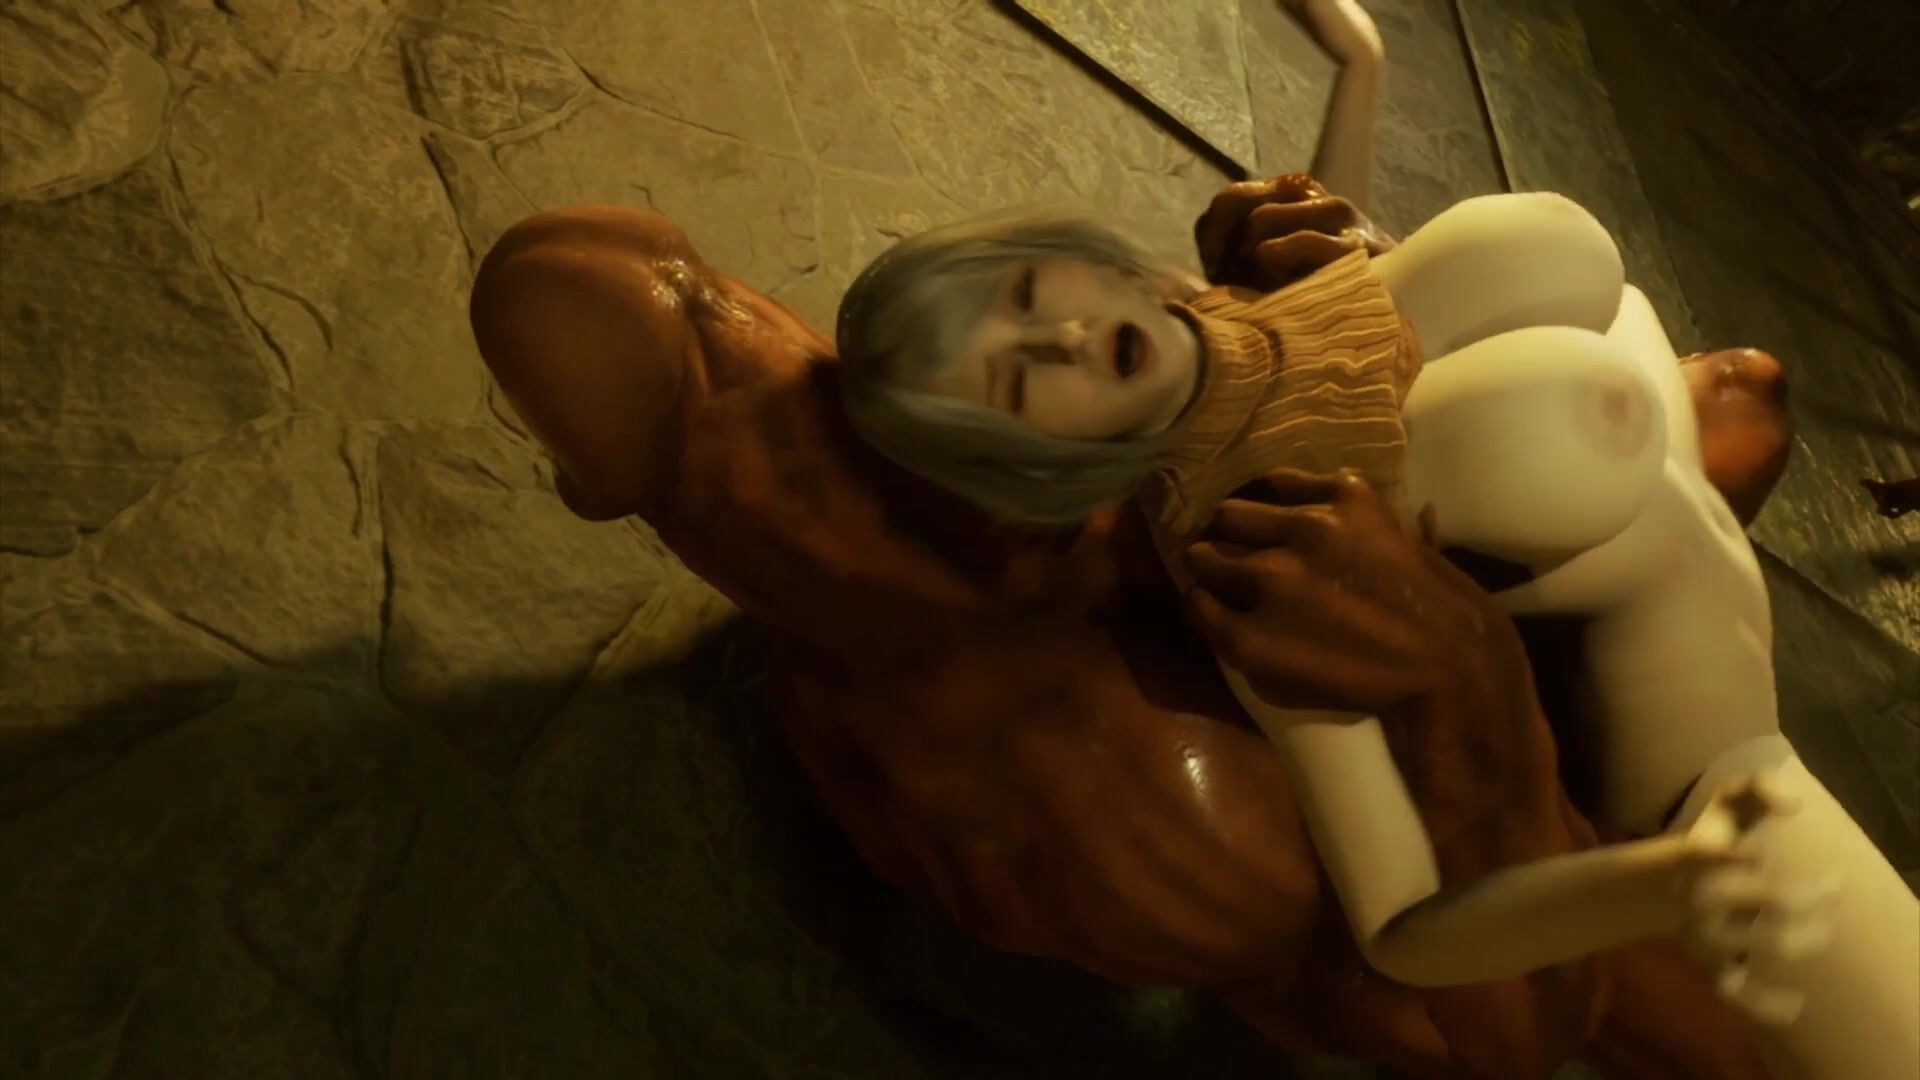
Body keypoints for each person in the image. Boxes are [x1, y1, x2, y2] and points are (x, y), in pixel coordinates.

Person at [465, 2, 1793, 1075]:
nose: (1060, 332)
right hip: (1470, 795)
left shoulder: (877, 410)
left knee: (1736, 403)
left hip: (1451, 523)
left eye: (1044, 295)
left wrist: (1298, 253)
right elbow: (1487, 1022)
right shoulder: (1143, 810)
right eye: (1017, 373)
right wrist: (1468, 697)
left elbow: (1257, 350)